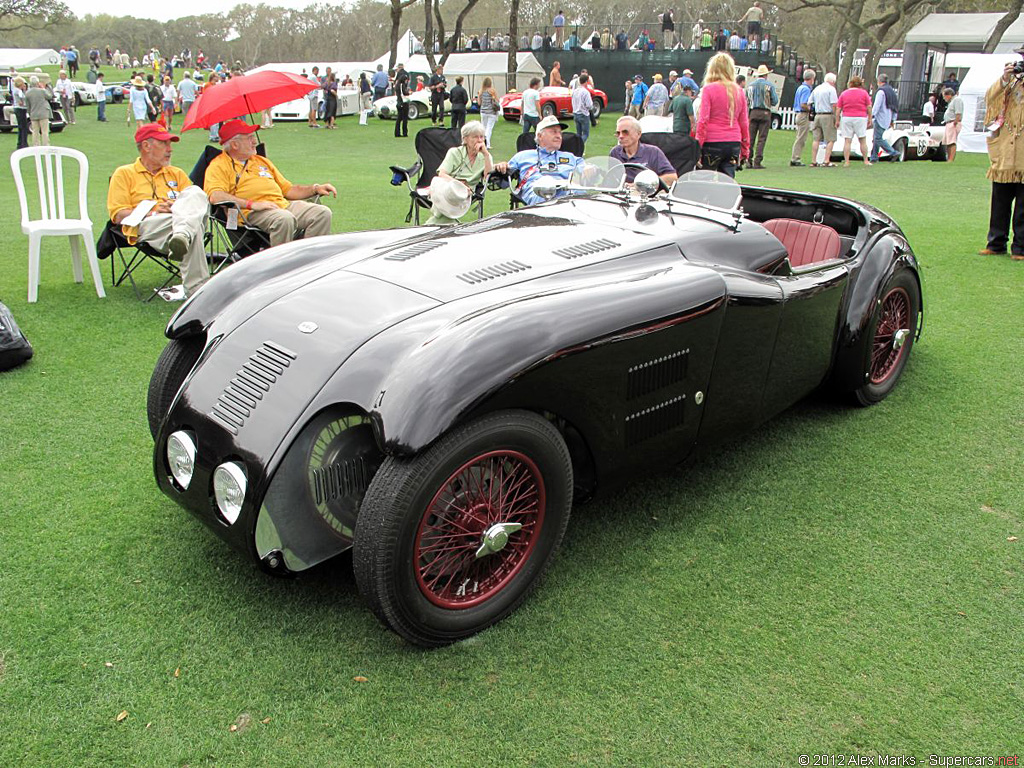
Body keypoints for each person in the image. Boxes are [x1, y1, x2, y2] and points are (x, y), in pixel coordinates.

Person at [107, 124, 211, 297]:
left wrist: (176, 207)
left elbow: (195, 201)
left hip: (179, 222)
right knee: (194, 227)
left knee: (195, 192)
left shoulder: (176, 173)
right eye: (164, 144)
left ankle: (183, 235)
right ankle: (198, 291)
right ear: (146, 146)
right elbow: (118, 215)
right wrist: (153, 210)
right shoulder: (124, 173)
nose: (170, 150)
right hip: (149, 225)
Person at [204, 119, 337, 248]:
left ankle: (309, 261)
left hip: (281, 206)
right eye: (249, 138)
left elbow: (289, 190)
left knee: (322, 213)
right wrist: (253, 204)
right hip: (249, 212)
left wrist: (315, 188)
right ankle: (281, 266)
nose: (255, 141)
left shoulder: (261, 161)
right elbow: (216, 196)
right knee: (284, 219)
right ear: (234, 144)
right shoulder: (219, 165)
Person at [979, 55, 1024, 260]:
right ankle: (996, 243)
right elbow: (991, 101)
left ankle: (1020, 247)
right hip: (1005, 153)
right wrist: (1004, 79)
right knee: (999, 202)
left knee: (1023, 205)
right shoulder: (1010, 84)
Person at [427, 122, 498, 225]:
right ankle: (447, 225)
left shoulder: (485, 157)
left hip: (466, 194)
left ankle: (431, 227)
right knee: (447, 197)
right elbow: (442, 174)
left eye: (481, 137)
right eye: (475, 137)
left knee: (448, 204)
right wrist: (458, 184)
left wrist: (486, 155)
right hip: (448, 187)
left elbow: (488, 176)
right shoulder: (454, 152)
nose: (479, 140)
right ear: (465, 139)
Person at [694, 52, 750, 178]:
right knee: (728, 180)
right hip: (733, 141)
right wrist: (745, 148)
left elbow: (703, 121)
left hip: (712, 142)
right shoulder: (739, 91)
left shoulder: (708, 90)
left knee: (706, 179)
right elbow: (744, 123)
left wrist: (697, 148)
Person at [507, 115, 584, 205]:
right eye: (554, 132)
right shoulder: (522, 156)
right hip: (539, 194)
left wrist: (590, 170)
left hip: (569, 194)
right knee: (543, 194)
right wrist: (501, 168)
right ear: (540, 136)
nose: (559, 136)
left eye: (560, 133)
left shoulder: (572, 158)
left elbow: (587, 170)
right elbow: (501, 180)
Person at [611, 115, 678, 186]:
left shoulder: (653, 152)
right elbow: (611, 178)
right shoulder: (615, 153)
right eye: (618, 133)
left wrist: (640, 185)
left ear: (638, 134)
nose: (621, 136)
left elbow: (672, 177)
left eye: (625, 132)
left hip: (645, 194)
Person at [746, 64, 778, 169]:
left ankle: (748, 159)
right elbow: (775, 101)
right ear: (766, 75)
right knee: (762, 138)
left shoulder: (750, 86)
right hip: (765, 113)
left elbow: (747, 100)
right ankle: (757, 161)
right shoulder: (769, 86)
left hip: (753, 112)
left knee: (751, 138)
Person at [836, 75, 872, 167]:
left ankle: (847, 161)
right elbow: (869, 106)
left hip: (847, 117)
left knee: (847, 140)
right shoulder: (864, 93)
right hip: (860, 117)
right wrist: (870, 118)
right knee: (862, 140)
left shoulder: (844, 93)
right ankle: (866, 160)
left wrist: (837, 120)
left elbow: (838, 108)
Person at [809, 72, 839, 167]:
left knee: (816, 139)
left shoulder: (817, 88)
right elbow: (834, 104)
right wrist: (835, 117)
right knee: (831, 139)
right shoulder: (831, 89)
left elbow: (810, 102)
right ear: (832, 81)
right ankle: (826, 160)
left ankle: (814, 161)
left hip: (817, 115)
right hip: (828, 115)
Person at [869, 74, 900, 163]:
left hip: (880, 118)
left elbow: (877, 105)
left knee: (878, 138)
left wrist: (872, 115)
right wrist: (893, 119)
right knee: (876, 138)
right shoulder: (891, 91)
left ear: (879, 81)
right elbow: (895, 107)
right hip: (888, 117)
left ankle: (893, 152)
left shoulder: (881, 92)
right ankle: (874, 157)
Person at [790, 69, 815, 166]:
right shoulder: (806, 89)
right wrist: (811, 109)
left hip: (799, 114)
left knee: (799, 136)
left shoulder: (800, 87)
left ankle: (795, 157)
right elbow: (803, 104)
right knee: (801, 138)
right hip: (803, 114)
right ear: (811, 78)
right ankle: (795, 158)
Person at [25, 77, 52, 147]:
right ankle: (46, 144)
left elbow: (28, 105)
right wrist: (44, 88)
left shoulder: (27, 93)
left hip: (33, 113)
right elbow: (50, 96)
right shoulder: (42, 91)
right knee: (45, 131)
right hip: (43, 113)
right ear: (37, 83)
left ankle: (36, 145)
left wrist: (29, 113)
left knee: (35, 131)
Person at [572, 73, 594, 150]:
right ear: (586, 82)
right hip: (583, 114)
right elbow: (589, 105)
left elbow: (572, 102)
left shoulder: (575, 91)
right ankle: (579, 148)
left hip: (575, 113)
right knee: (585, 134)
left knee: (578, 133)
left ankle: (576, 147)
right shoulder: (585, 92)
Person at [941, 87, 964, 163]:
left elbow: (958, 112)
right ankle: (949, 158)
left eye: (944, 96)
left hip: (953, 123)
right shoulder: (952, 101)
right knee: (948, 142)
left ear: (949, 95)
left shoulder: (957, 100)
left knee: (952, 141)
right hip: (949, 123)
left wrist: (955, 122)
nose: (944, 98)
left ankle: (951, 159)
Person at [477, 76, 501, 148]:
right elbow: (497, 101)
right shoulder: (492, 91)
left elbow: (479, 103)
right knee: (489, 128)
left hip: (483, 111)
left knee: (483, 127)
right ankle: (487, 144)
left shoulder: (481, 91)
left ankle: (482, 142)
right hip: (491, 112)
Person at [11, 76, 29, 149]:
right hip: (21, 109)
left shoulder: (14, 90)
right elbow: (23, 97)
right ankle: (24, 143)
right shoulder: (18, 91)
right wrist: (24, 90)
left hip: (17, 108)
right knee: (24, 127)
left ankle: (20, 143)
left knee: (20, 126)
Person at [393, 62, 410, 138]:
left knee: (399, 118)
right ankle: (405, 132)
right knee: (405, 118)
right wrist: (408, 92)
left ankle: (397, 132)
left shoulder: (397, 85)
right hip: (403, 102)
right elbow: (405, 93)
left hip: (399, 102)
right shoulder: (402, 86)